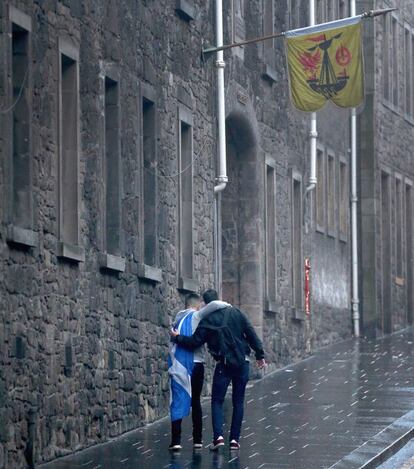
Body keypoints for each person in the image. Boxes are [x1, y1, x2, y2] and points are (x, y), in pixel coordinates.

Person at [171, 289, 266, 451]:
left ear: (206, 304)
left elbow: (195, 341)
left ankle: (218, 437)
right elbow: (250, 333)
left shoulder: (207, 320)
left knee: (217, 400)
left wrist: (177, 337)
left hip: (224, 364)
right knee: (238, 401)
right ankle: (234, 440)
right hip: (243, 362)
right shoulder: (236, 313)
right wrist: (260, 355)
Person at [168, 293, 230, 451]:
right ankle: (198, 440)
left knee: (178, 398)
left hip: (178, 365)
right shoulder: (196, 316)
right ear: (197, 305)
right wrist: (228, 306)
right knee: (195, 401)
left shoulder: (177, 318)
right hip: (196, 365)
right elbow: (215, 305)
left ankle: (176, 441)